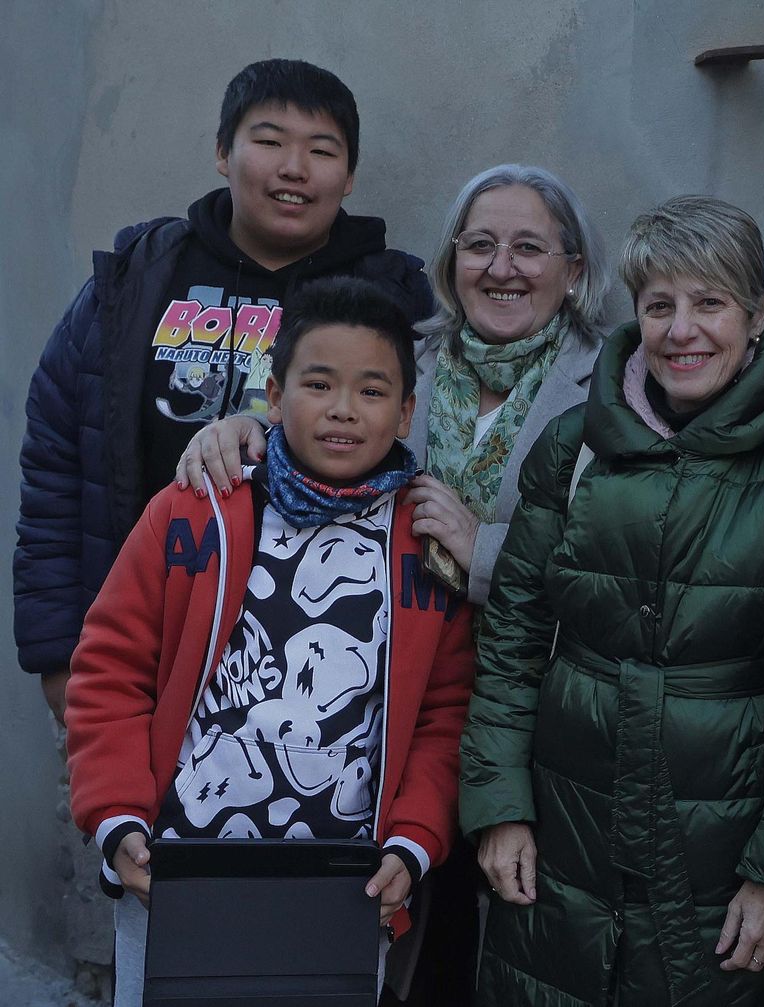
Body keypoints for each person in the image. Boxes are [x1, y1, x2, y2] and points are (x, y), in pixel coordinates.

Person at [176, 163, 609, 1003]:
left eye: (530, 247)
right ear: (449, 263)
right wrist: (238, 427)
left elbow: (617, 566)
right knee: (404, 944)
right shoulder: (404, 357)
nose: (503, 266)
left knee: (514, 940)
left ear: (575, 269)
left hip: (537, 722)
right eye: (479, 244)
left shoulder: (613, 385)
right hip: (382, 717)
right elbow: (315, 415)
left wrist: (483, 552)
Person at [65, 277, 476, 1007]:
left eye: (373, 390)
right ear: (275, 394)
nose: (344, 408)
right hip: (176, 869)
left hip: (345, 879)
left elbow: (446, 718)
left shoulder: (427, 545)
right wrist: (117, 813)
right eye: (318, 383)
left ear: (408, 409)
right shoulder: (195, 510)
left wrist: (413, 842)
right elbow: (110, 668)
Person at [459, 195, 764, 1005]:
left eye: (710, 303)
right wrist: (501, 808)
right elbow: (514, 638)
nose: (682, 330)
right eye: (660, 305)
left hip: (718, 863)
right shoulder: (576, 445)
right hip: (565, 836)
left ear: (757, 314)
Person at [16, 58, 432, 725]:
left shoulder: (391, 301)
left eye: (322, 150)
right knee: (130, 831)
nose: (293, 168)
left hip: (309, 690)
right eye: (268, 141)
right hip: (136, 666)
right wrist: (60, 656)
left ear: (349, 176)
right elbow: (56, 471)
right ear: (222, 153)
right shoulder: (134, 282)